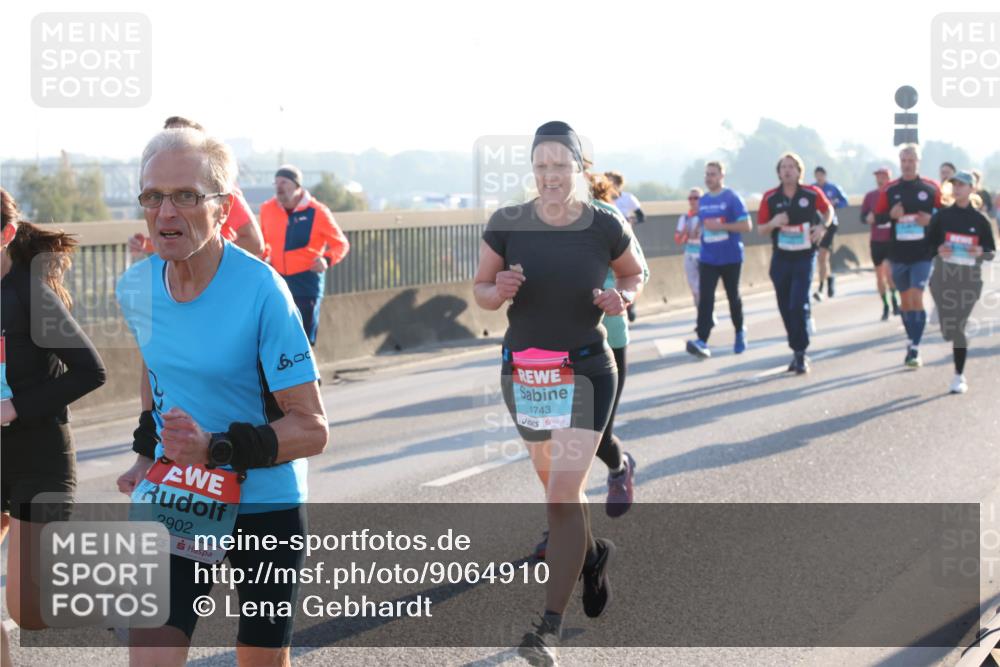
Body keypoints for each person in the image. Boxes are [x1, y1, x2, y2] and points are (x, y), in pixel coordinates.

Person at [114, 128, 329, 667]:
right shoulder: (135, 288)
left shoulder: (262, 290)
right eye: (153, 197)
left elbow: (311, 427)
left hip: (264, 502)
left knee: (258, 659)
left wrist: (215, 447)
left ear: (223, 207)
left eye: (185, 196)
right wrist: (148, 450)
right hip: (180, 496)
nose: (166, 212)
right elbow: (156, 368)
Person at [473, 121, 643, 666]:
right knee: (560, 493)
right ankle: (591, 557)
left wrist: (622, 297)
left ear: (578, 167)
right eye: (540, 166)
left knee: (560, 496)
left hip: (590, 369)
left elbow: (634, 273)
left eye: (559, 166)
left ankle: (546, 628)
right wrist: (495, 291)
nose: (550, 176)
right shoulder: (507, 223)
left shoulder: (605, 222)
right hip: (526, 374)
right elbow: (480, 292)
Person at [1, 188, 107, 663]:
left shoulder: (30, 295)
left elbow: (91, 371)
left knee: (29, 611)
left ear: (6, 234)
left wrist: (15, 408)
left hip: (38, 459)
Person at [129, 116, 265, 259]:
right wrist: (145, 245)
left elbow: (255, 243)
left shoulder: (222, 192)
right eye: (167, 138)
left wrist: (208, 256)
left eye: (186, 196)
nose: (172, 146)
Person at [757, 154, 833, 373]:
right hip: (781, 258)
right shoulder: (770, 197)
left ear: (800, 171)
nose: (788, 171)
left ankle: (800, 353)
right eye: (784, 167)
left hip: (804, 256)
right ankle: (796, 346)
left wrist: (822, 227)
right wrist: (774, 222)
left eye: (792, 167)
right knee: (784, 306)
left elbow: (829, 211)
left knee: (796, 304)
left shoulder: (811, 193)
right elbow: (761, 229)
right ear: (778, 172)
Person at [259, 164, 350, 346]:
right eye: (276, 182)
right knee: (278, 334)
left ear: (296, 185)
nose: (279, 187)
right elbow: (263, 243)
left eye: (284, 182)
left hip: (306, 281)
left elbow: (341, 244)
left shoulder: (317, 211)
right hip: (278, 281)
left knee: (304, 338)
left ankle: (309, 374)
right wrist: (264, 260)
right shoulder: (267, 209)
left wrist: (326, 259)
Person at [927, 171, 996, 394]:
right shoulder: (941, 217)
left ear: (972, 189)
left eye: (962, 185)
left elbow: (991, 252)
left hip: (969, 281)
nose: (957, 188)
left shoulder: (980, 220)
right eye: (954, 184)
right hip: (942, 279)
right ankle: (940, 311)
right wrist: (938, 249)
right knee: (948, 331)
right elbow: (927, 245)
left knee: (958, 329)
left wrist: (980, 251)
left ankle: (958, 375)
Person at [874, 144, 942, 368]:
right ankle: (910, 338)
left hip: (923, 252)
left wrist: (931, 219)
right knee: (905, 302)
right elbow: (878, 217)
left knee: (916, 296)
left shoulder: (931, 188)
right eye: (904, 160)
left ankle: (914, 347)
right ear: (900, 162)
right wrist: (890, 215)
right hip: (898, 253)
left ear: (918, 162)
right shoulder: (890, 189)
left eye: (911, 160)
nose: (907, 164)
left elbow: (944, 216)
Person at [686, 161, 752, 359]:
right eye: (707, 174)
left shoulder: (732, 198)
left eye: (713, 174)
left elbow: (746, 225)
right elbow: (706, 225)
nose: (709, 178)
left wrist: (722, 226)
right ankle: (702, 340)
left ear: (722, 176)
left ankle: (740, 332)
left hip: (731, 257)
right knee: (706, 299)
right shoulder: (703, 201)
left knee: (733, 297)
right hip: (708, 258)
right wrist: (701, 229)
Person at [861, 167, 901, 320]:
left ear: (889, 178)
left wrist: (880, 217)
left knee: (889, 273)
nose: (880, 179)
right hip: (876, 241)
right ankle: (885, 305)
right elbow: (863, 217)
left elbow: (895, 215)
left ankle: (894, 301)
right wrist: (867, 218)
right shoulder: (870, 196)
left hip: (890, 240)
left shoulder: (894, 194)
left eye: (883, 176)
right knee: (879, 276)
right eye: (878, 176)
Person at [811, 166, 848, 300]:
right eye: (817, 175)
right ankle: (829, 278)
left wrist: (834, 204)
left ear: (825, 175)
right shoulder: (812, 189)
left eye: (821, 175)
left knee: (822, 256)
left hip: (830, 224)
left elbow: (845, 201)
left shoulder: (833, 188)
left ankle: (821, 287)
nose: (819, 178)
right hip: (816, 224)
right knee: (820, 258)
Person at [674, 188, 702, 307]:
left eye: (696, 198)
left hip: (704, 255)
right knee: (694, 288)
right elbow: (678, 240)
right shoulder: (684, 218)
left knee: (704, 287)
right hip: (690, 254)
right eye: (690, 198)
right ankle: (700, 312)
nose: (692, 201)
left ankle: (706, 313)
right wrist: (684, 231)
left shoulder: (706, 217)